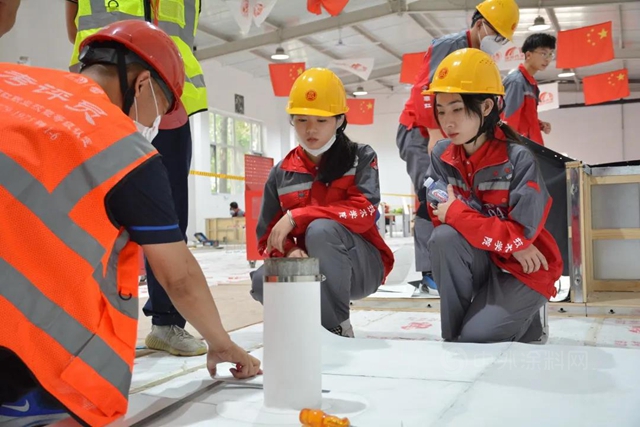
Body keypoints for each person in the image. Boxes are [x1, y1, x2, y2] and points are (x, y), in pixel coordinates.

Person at [0, 20, 260, 427]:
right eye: (162, 105)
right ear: (140, 85)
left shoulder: (10, 78)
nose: (157, 125)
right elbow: (179, 278)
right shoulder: (124, 150)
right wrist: (222, 344)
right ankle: (31, 392)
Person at [65, 0, 210, 357]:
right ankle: (80, 319)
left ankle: (166, 323)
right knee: (86, 205)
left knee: (167, 211)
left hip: (164, 97)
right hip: (109, 84)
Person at [422, 48, 563, 343]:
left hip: (523, 267)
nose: (447, 122)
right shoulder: (441, 154)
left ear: (486, 107)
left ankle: (523, 319)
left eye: (457, 109)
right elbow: (439, 216)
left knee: (478, 337)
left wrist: (459, 213)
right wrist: (511, 241)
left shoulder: (518, 159)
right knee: (444, 238)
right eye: (441, 110)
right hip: (488, 255)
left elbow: (521, 233)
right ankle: (455, 338)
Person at [249, 68, 394, 337]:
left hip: (360, 267)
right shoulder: (281, 173)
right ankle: (311, 321)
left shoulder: (360, 157)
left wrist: (299, 215)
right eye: (302, 120)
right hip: (309, 268)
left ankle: (338, 327)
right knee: (262, 282)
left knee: (322, 230)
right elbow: (266, 237)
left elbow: (365, 212)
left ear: (339, 120)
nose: (310, 129)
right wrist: (290, 251)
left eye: (321, 120)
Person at [396, 0, 520, 296]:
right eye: (497, 35)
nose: (499, 43)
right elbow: (423, 92)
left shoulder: (479, 59)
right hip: (420, 130)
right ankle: (430, 274)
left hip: (448, 132)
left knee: (460, 197)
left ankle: (461, 264)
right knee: (431, 195)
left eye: (504, 39)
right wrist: (433, 134)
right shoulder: (449, 46)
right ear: (480, 25)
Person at [503, 33, 557, 145]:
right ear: (528, 55)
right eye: (543, 53)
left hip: (532, 147)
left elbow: (524, 117)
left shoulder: (530, 83)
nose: (547, 59)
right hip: (521, 150)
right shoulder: (517, 81)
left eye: (550, 54)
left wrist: (538, 124)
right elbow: (508, 121)